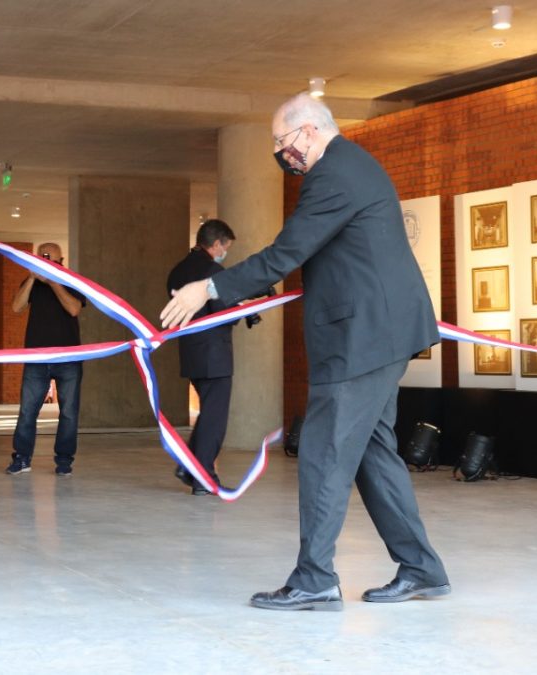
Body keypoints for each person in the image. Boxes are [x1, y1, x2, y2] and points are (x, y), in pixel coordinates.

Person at [161, 93, 449, 611]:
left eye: (282, 141)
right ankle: (422, 568)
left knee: (322, 450)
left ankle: (315, 577)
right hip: (378, 332)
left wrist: (208, 288)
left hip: (362, 337)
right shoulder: (349, 166)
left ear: (310, 131)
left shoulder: (334, 174)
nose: (280, 152)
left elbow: (286, 253)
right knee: (371, 453)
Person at [166, 219, 236, 496]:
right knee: (215, 417)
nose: (225, 252)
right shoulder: (212, 270)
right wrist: (244, 309)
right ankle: (202, 476)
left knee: (209, 413)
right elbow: (223, 310)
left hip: (191, 352)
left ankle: (188, 466)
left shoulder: (177, 271)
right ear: (217, 244)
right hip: (215, 353)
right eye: (226, 247)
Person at [5, 243, 86, 477]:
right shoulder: (31, 282)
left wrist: (53, 281)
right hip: (37, 357)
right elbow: (16, 307)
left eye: (50, 256)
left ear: (62, 258)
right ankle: (21, 458)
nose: (45, 258)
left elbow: (73, 309)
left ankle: (64, 461)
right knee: (28, 410)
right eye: (41, 255)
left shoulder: (71, 280)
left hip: (68, 357)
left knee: (69, 412)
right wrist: (31, 278)